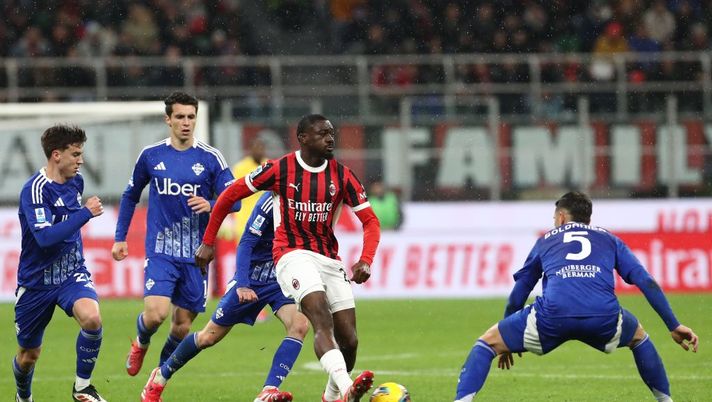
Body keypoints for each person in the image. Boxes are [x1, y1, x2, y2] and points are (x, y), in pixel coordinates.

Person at [195, 114, 381, 402]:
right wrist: (208, 242)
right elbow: (230, 194)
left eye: (331, 133)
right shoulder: (280, 170)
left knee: (350, 340)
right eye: (322, 134)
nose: (330, 138)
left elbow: (370, 221)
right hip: (291, 254)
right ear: (303, 138)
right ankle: (347, 387)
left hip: (328, 258)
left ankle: (333, 396)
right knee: (319, 318)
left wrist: (366, 258)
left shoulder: (342, 176)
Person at [454, 191, 699, 402]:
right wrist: (673, 324)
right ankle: (666, 400)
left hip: (553, 317)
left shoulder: (546, 240)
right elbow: (646, 281)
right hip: (603, 316)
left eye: (554, 218)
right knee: (639, 338)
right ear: (588, 218)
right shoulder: (610, 240)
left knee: (486, 343)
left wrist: (507, 333)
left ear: (560, 217)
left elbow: (521, 290)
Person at [112, 92, 240, 378]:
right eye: (180, 117)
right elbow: (131, 195)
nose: (186, 123)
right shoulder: (151, 155)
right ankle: (142, 341)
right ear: (167, 119)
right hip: (161, 250)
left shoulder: (210, 158)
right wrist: (120, 237)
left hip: (197, 255)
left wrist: (211, 204)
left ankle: (157, 379)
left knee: (181, 326)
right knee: (156, 314)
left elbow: (238, 199)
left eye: (191, 117)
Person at [140, 192, 310, 402]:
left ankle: (268, 390)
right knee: (208, 337)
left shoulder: (310, 200)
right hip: (252, 278)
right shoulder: (270, 201)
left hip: (280, 278)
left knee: (300, 325)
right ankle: (159, 377)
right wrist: (243, 283)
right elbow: (247, 242)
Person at [13, 124, 107, 402]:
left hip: (70, 274)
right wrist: (85, 214)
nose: (81, 160)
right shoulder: (35, 190)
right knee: (29, 355)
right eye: (75, 154)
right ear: (57, 155)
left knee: (92, 318)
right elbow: (44, 238)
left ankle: (82, 387)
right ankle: (23, 396)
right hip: (37, 282)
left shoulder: (75, 182)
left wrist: (80, 217)